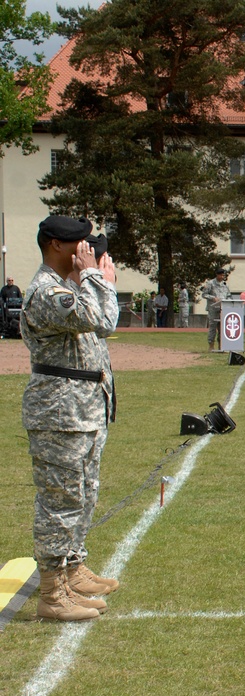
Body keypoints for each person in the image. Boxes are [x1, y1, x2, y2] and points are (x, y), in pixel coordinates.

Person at [22, 215, 120, 621]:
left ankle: (73, 569)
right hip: (59, 413)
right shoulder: (47, 292)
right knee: (59, 502)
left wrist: (89, 281)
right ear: (56, 246)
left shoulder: (68, 287)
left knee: (82, 493)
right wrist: (101, 280)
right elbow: (104, 321)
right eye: (81, 245)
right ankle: (52, 591)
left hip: (82, 408)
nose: (89, 252)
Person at [202, 268, 230, 350]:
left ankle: (221, 345)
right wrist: (213, 298)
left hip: (223, 309)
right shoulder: (210, 283)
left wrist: (228, 301)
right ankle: (211, 345)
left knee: (222, 328)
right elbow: (204, 294)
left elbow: (228, 295)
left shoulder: (225, 284)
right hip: (213, 309)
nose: (222, 276)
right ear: (217, 275)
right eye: (221, 275)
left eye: (223, 275)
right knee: (213, 327)